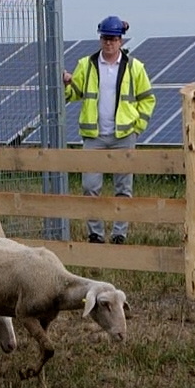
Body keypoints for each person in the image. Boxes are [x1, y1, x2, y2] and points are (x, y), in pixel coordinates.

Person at [63, 15, 156, 244]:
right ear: (100, 39)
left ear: (121, 41)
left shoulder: (134, 67)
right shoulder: (87, 65)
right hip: (94, 136)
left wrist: (137, 127)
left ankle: (119, 233)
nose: (109, 43)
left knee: (123, 188)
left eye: (113, 39)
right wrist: (67, 83)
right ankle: (95, 233)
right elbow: (74, 94)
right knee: (90, 187)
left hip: (123, 136)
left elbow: (148, 99)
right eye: (105, 38)